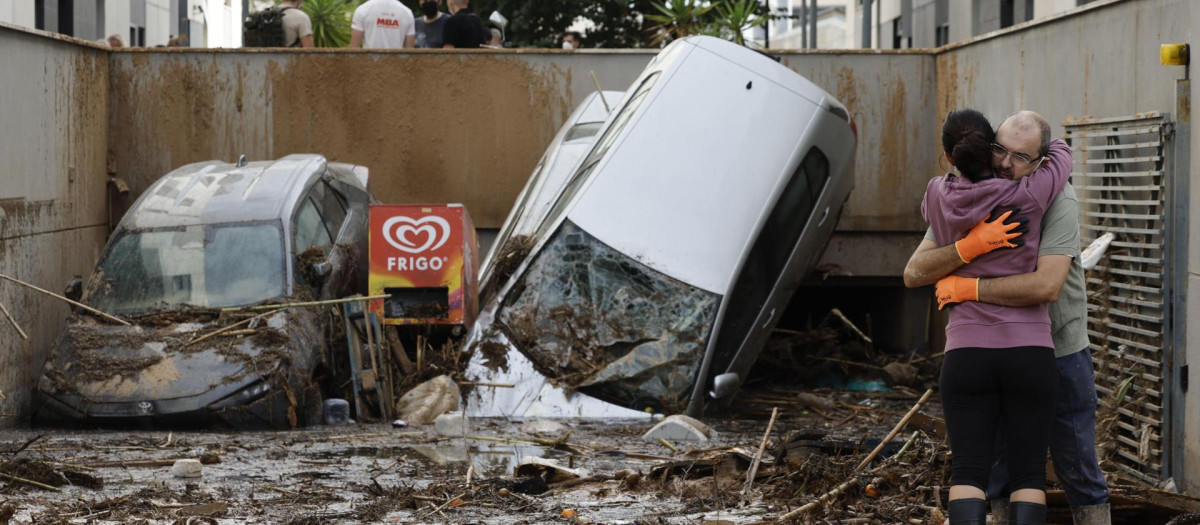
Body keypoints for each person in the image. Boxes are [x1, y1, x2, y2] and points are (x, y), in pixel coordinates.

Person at [905, 111, 1111, 525]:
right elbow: (915, 271)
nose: (1005, 163)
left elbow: (1046, 286)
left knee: (1077, 469)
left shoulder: (1053, 198)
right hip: (1024, 350)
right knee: (1007, 472)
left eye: (1020, 157)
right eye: (999, 149)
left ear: (1040, 161)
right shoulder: (1013, 191)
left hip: (1059, 348)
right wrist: (968, 248)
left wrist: (969, 287)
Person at [349, 0, 415, 49]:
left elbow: (354, 47)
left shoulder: (362, 10)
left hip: (369, 64)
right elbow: (410, 50)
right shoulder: (407, 13)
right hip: (396, 64)